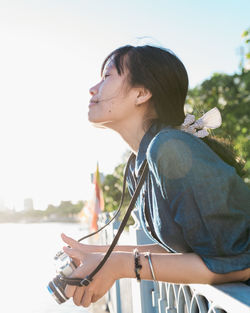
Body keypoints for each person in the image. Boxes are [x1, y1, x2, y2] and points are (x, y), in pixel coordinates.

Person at [61, 45, 250, 307]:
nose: (93, 89)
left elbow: (237, 262)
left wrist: (122, 266)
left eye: (107, 77)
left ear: (141, 93)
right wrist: (98, 255)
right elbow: (178, 249)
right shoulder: (140, 163)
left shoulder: (170, 148)